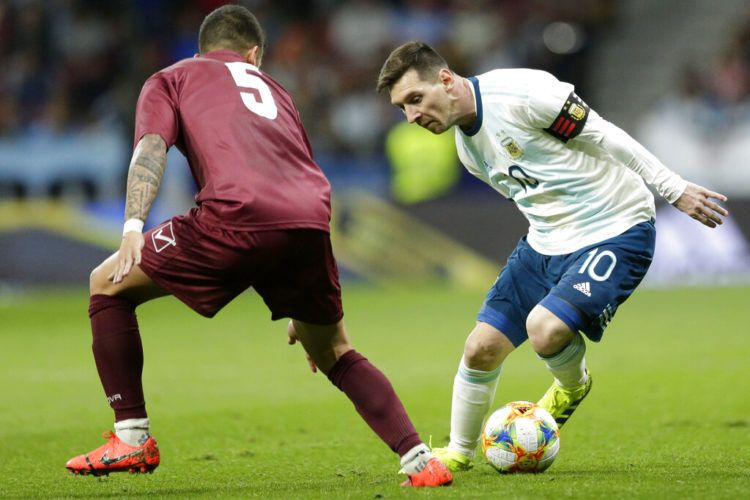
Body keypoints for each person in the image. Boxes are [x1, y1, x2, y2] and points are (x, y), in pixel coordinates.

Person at [65, 8, 452, 488]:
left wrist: (131, 226)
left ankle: (132, 437)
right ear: (254, 54)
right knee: (333, 348)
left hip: (233, 216)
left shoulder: (172, 77)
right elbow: (299, 169)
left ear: (201, 49)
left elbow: (150, 146)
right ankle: (421, 461)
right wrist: (302, 298)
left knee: (106, 283)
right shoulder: (277, 90)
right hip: (309, 219)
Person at [376, 41, 730, 472]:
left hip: (617, 229)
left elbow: (603, 134)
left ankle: (572, 386)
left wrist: (673, 188)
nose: (412, 116)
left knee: (544, 330)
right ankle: (459, 453)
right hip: (545, 242)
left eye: (416, 99)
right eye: (402, 108)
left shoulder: (524, 95)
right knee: (480, 348)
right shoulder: (468, 151)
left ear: (446, 80)